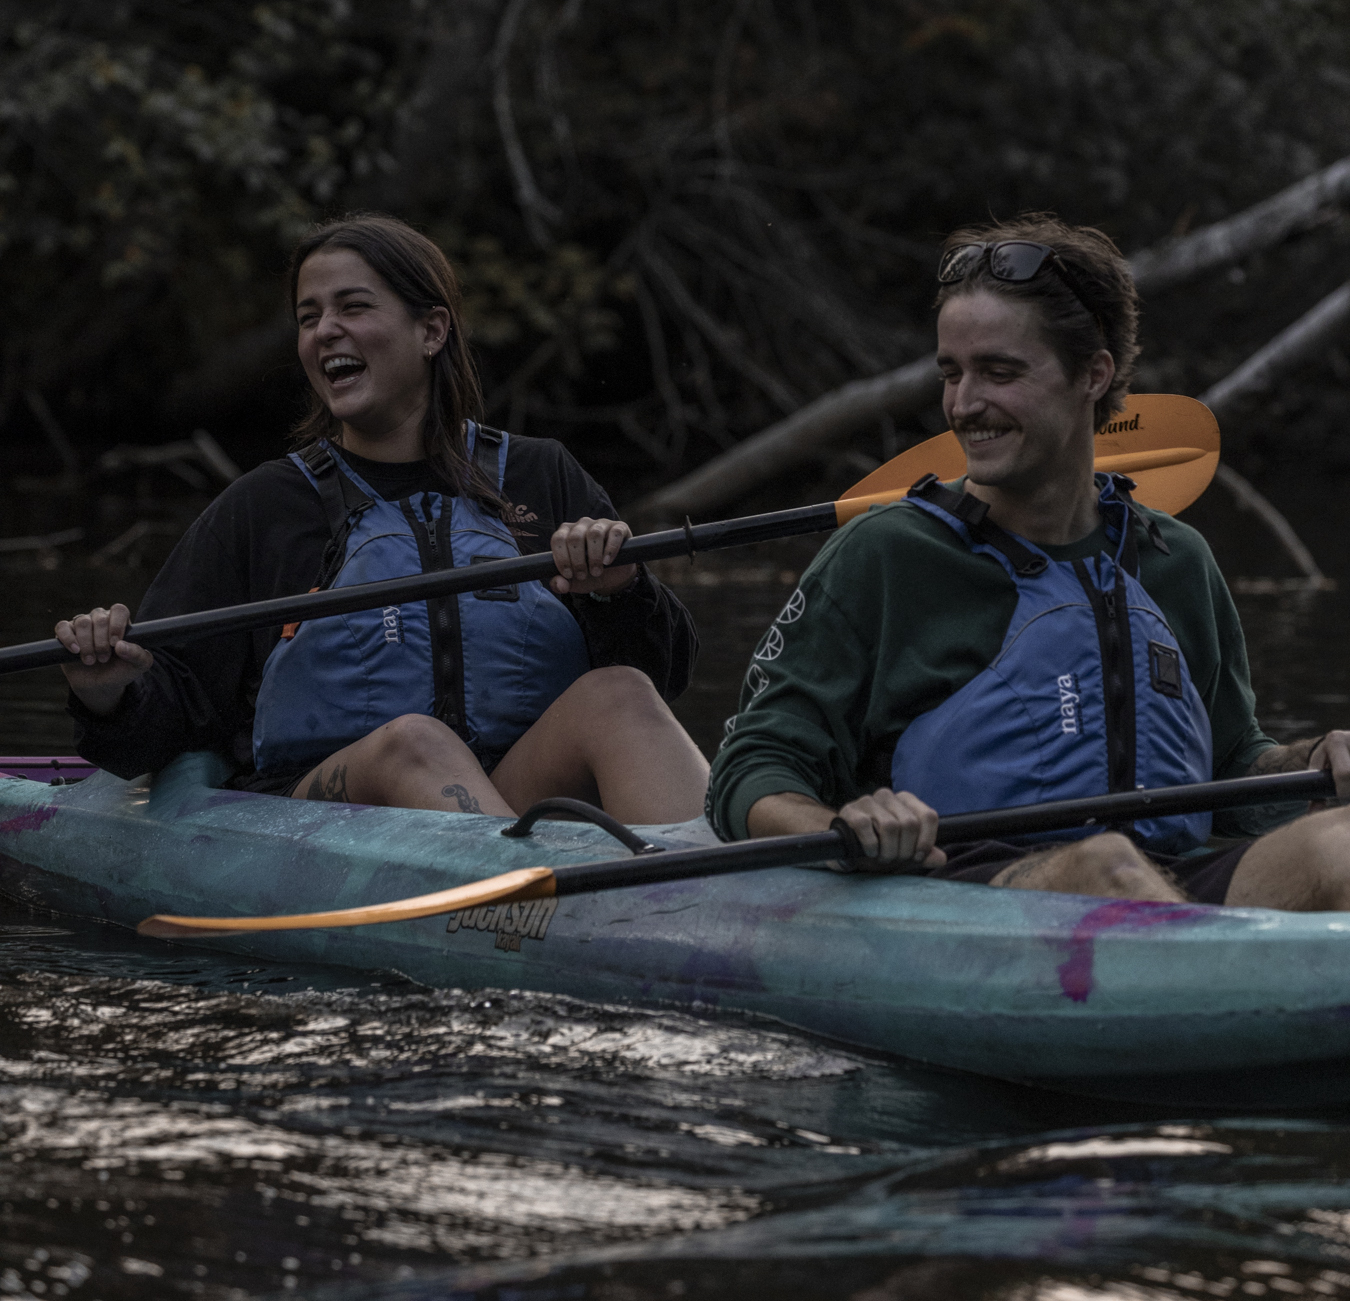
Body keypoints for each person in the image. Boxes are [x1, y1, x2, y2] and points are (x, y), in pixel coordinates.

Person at [708, 214, 1350, 909]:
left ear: (1094, 374)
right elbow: (750, 767)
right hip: (960, 888)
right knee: (1106, 867)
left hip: (1173, 877)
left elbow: (1232, 765)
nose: (964, 404)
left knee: (1338, 845)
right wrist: (840, 825)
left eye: (999, 372)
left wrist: (1311, 761)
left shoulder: (1176, 559)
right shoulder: (888, 555)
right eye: (952, 373)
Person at [57, 213, 709, 824]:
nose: (324, 331)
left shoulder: (542, 475)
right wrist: (109, 691)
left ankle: (731, 904)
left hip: (514, 791)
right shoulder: (266, 507)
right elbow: (172, 707)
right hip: (327, 816)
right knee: (414, 743)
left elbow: (664, 670)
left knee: (620, 693)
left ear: (432, 330)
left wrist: (622, 589)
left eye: (353, 306)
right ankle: (523, 911)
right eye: (308, 317)